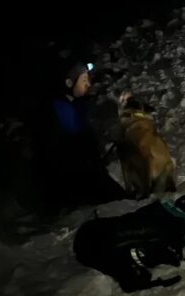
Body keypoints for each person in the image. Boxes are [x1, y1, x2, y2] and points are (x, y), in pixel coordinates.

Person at [32, 61, 126, 214]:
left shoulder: (78, 104)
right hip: (74, 179)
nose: (88, 84)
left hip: (88, 171)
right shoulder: (57, 109)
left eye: (88, 79)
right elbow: (63, 150)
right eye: (83, 80)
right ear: (69, 83)